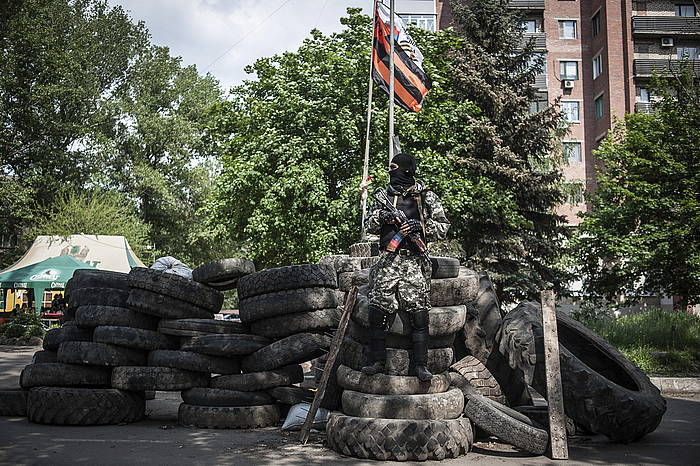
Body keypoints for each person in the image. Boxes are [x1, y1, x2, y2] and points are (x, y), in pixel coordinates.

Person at [362, 152, 450, 381]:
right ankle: (377, 362)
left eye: (394, 167)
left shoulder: (426, 197)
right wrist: (382, 217)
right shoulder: (382, 196)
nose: (390, 172)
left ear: (406, 170)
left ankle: (421, 366)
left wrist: (420, 226)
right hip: (388, 260)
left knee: (419, 314)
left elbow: (443, 227)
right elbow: (367, 226)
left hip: (414, 261)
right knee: (377, 311)